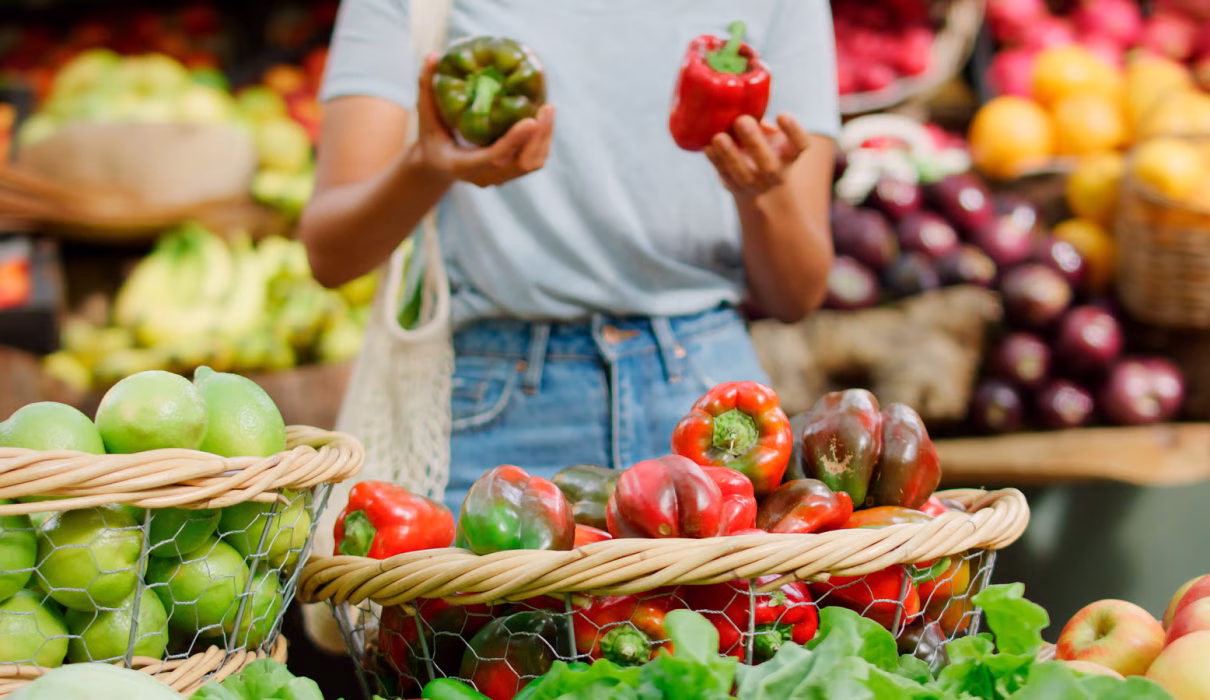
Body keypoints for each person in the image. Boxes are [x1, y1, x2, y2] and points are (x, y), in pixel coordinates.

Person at [300, 1, 840, 515]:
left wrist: (759, 191)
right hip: (493, 411)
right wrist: (428, 167)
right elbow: (331, 254)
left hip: (717, 409)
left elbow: (796, 293)